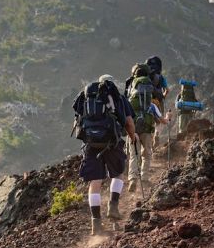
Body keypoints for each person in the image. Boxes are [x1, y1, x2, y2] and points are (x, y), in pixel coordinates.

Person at [73, 74, 136, 235]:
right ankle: (113, 206)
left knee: (95, 183)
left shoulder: (86, 98)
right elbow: (129, 122)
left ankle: (96, 223)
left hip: (91, 144)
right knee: (118, 175)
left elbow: (78, 121)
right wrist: (132, 137)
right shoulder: (118, 98)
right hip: (112, 142)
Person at [126, 63, 170, 193]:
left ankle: (132, 179)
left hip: (133, 128)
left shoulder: (130, 95)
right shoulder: (151, 104)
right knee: (147, 154)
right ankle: (144, 177)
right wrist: (168, 117)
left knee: (134, 155)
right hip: (147, 128)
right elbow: (162, 120)